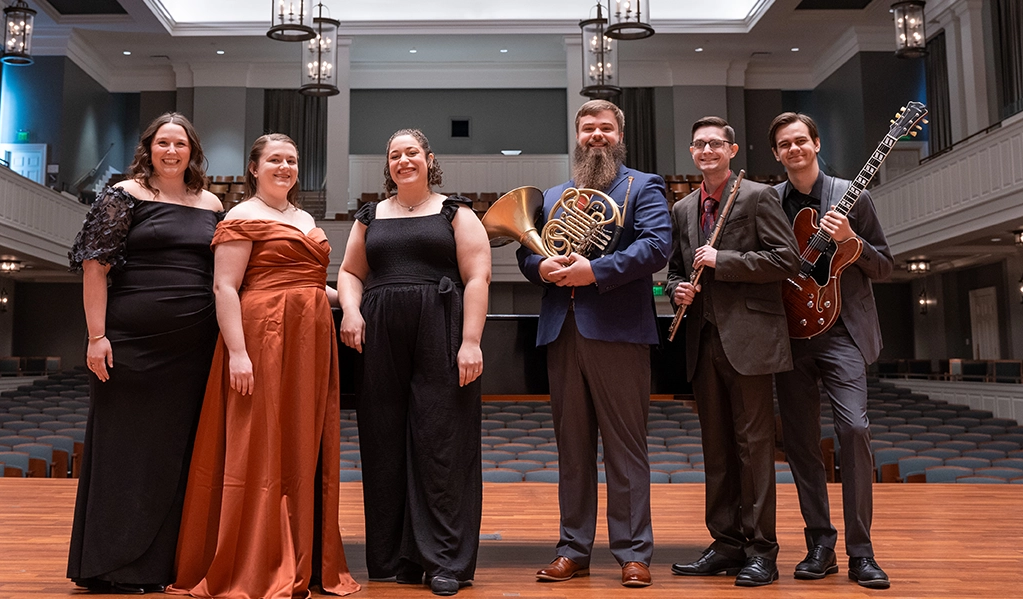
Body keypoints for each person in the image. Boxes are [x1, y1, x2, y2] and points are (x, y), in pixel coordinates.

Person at [168, 133, 360, 599]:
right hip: (264, 336)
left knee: (299, 442)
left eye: (291, 160)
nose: (284, 167)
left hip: (309, 339)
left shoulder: (304, 217)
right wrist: (238, 351)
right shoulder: (240, 216)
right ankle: (254, 559)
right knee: (258, 442)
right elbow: (225, 288)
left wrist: (355, 303)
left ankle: (297, 551)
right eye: (274, 159)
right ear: (254, 168)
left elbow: (313, 284)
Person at [67, 113, 224, 594]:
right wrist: (97, 336)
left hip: (195, 346)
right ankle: (112, 563)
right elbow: (95, 267)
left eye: (180, 143)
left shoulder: (213, 203)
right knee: (124, 450)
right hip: (131, 343)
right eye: (163, 143)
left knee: (177, 453)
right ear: (149, 149)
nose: (171, 151)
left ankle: (165, 565)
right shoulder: (124, 194)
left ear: (192, 150)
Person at [519, 99, 672, 589]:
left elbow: (656, 246)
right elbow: (530, 254)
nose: (596, 136)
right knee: (573, 448)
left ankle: (633, 552)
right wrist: (540, 267)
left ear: (619, 135)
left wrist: (594, 271)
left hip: (620, 331)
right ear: (578, 135)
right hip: (563, 330)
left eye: (606, 128)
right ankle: (572, 549)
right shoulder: (556, 193)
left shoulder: (642, 186)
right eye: (589, 128)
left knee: (627, 448)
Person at [337, 129, 491, 597]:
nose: (403, 160)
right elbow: (348, 272)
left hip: (440, 329)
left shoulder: (455, 211)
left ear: (428, 159)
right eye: (394, 155)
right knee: (382, 438)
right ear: (388, 165)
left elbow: (478, 275)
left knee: (441, 441)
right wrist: (350, 310)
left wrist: (470, 341)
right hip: (379, 333)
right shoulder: (370, 215)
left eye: (411, 153)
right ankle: (397, 556)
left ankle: (444, 560)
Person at [666, 116, 799, 587]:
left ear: (732, 150)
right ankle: (726, 543)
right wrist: (675, 289)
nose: (706, 151)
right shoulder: (683, 208)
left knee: (754, 449)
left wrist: (725, 261)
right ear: (692, 151)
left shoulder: (758, 196)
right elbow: (675, 271)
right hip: (702, 342)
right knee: (717, 450)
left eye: (714, 144)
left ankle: (762, 550)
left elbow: (787, 260)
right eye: (698, 144)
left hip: (750, 342)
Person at [769, 112, 893, 589]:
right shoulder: (771, 202)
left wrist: (852, 242)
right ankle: (820, 545)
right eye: (785, 144)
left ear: (816, 143)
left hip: (842, 333)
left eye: (801, 140)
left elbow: (884, 266)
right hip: (791, 334)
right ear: (777, 153)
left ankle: (862, 552)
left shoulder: (852, 195)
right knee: (800, 443)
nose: (794, 149)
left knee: (854, 429)